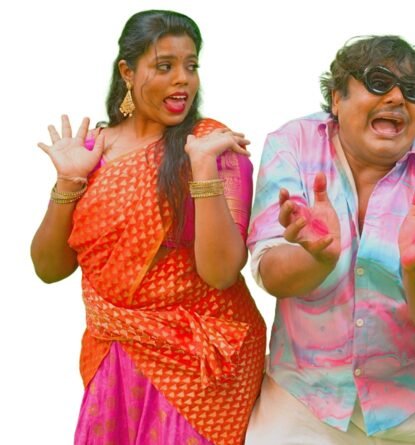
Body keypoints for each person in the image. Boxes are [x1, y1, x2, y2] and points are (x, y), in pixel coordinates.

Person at [245, 35, 415, 444]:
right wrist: (318, 259)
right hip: (306, 397)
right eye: (378, 82)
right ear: (336, 98)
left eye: (413, 89)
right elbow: (271, 274)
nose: (397, 97)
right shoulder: (292, 145)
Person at [30, 10, 265, 445]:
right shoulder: (91, 151)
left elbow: (221, 273)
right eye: (164, 66)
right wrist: (68, 182)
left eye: (191, 66)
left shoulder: (212, 146)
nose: (183, 80)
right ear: (127, 71)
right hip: (116, 356)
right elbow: (48, 268)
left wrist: (202, 169)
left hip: (202, 366)